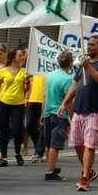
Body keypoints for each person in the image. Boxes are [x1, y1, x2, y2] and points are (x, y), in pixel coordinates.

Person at [58, 35, 98, 191]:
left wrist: (89, 67)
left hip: (95, 110)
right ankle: (89, 171)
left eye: (92, 45)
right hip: (79, 109)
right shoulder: (83, 64)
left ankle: (84, 178)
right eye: (88, 44)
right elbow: (75, 85)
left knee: (90, 145)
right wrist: (64, 102)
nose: (88, 47)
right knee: (76, 143)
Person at [42, 50, 74, 182]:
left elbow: (45, 95)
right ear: (71, 63)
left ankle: (50, 166)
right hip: (59, 113)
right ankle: (50, 173)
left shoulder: (50, 75)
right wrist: (73, 117)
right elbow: (69, 101)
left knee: (48, 142)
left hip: (48, 111)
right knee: (55, 144)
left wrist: (42, 112)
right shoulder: (67, 79)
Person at [0, 48, 28, 167]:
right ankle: (3, 157)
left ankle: (17, 152)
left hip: (18, 104)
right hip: (4, 102)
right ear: (14, 57)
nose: (22, 57)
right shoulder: (3, 71)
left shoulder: (24, 71)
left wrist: (27, 82)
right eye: (20, 55)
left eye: (23, 56)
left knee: (17, 130)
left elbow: (26, 90)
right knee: (3, 130)